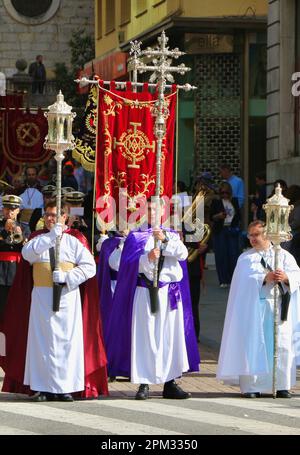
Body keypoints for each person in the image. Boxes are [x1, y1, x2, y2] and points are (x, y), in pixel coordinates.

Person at [1, 200, 108, 401]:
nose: (50, 218)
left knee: (66, 342)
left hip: (67, 297)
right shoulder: (37, 238)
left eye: (54, 215)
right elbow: (27, 254)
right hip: (41, 297)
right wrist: (51, 237)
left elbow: (89, 267)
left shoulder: (75, 239)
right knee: (42, 342)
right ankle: (42, 386)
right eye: (48, 215)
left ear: (64, 217)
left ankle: (65, 387)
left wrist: (68, 277)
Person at [106, 203, 200, 400]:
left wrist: (164, 241)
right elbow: (121, 264)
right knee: (145, 336)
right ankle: (144, 382)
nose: (153, 213)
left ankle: (170, 381)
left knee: (169, 337)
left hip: (169, 292)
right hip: (145, 290)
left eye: (157, 209)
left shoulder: (172, 235)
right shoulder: (136, 236)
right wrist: (146, 258)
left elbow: (182, 254)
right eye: (149, 209)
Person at [217, 220, 300, 398]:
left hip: (277, 306)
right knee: (253, 344)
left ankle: (281, 384)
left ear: (267, 235)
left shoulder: (284, 256)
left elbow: (296, 275)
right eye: (250, 235)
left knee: (281, 345)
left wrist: (286, 277)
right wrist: (264, 278)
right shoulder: (245, 258)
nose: (252, 239)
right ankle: (251, 386)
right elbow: (242, 284)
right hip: (253, 308)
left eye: (256, 235)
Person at [210, 181, 241, 287]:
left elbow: (239, 215)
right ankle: (223, 280)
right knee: (221, 255)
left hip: (232, 230)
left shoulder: (234, 201)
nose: (224, 195)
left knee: (233, 255)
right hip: (220, 230)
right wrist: (218, 216)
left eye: (226, 193)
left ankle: (233, 279)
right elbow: (211, 217)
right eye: (222, 193)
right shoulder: (216, 202)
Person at [0, 195, 23, 320]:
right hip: (1, 270)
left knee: (14, 306)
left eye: (13, 209)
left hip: (16, 270)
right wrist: (4, 232)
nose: (10, 212)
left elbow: (27, 250)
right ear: (3, 209)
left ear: (18, 211)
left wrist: (21, 235)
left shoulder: (23, 227)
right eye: (7, 209)